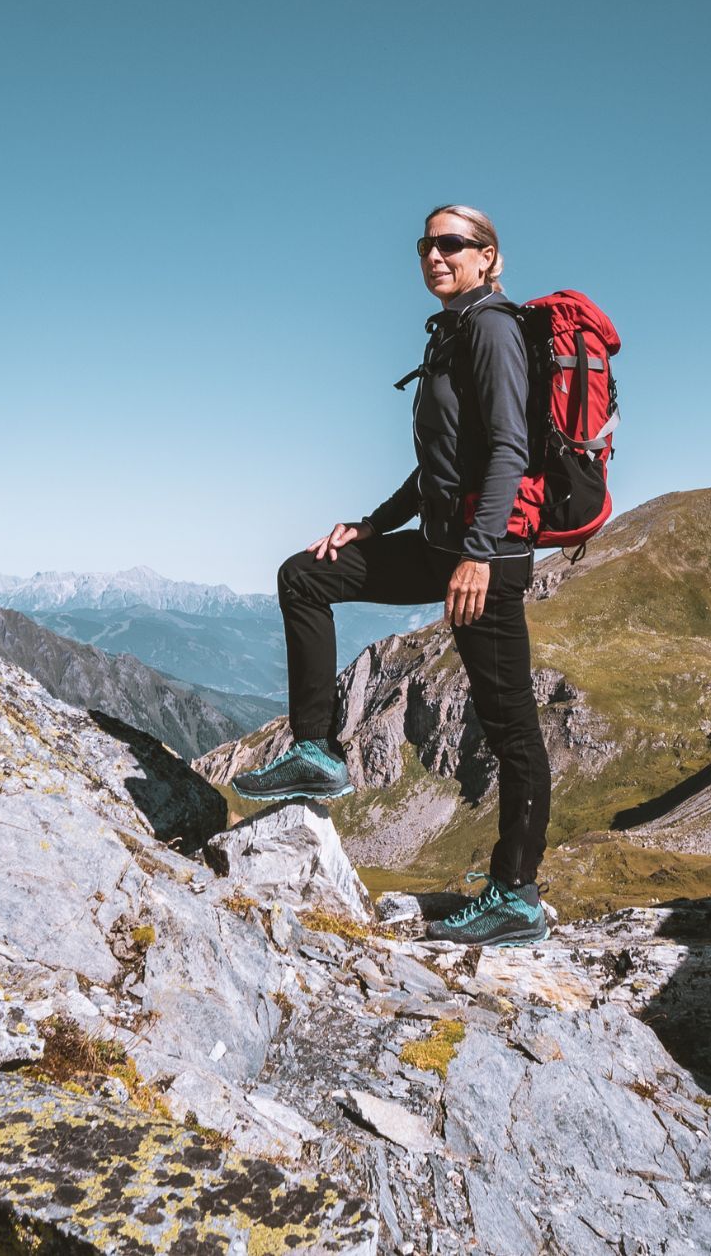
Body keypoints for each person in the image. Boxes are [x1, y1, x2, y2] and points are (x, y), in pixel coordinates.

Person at [232, 203, 555, 948]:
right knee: (305, 575)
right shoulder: (452, 333)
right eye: (426, 245)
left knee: (511, 730)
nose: (436, 256)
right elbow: (439, 464)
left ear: (488, 257)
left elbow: (509, 448)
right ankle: (316, 753)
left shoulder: (495, 329)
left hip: (488, 557)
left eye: (452, 244)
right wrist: (374, 524)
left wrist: (479, 551)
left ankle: (517, 895)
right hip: (445, 544)